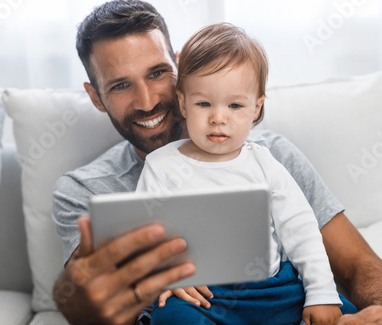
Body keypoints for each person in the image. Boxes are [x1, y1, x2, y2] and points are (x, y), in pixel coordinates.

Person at [52, 0, 382, 325]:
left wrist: (379, 316)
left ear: (178, 69)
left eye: (157, 72)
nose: (146, 101)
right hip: (200, 302)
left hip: (273, 289)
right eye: (119, 86)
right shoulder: (83, 190)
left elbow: (354, 260)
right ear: (95, 97)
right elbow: (91, 306)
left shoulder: (271, 155)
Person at [135, 22, 356, 325]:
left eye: (235, 105)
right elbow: (143, 240)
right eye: (203, 103)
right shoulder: (160, 166)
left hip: (273, 289)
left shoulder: (265, 164)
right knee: (172, 316)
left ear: (256, 108)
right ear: (183, 103)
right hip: (204, 295)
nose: (218, 118)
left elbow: (301, 230)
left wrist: (321, 293)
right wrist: (167, 274)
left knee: (344, 312)